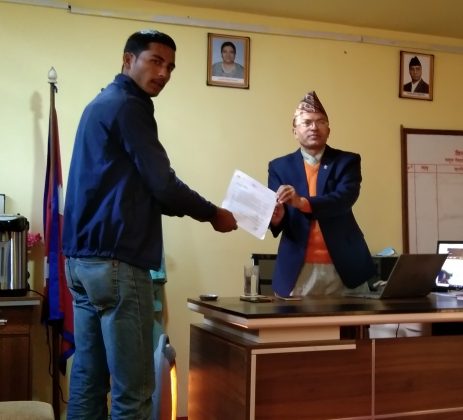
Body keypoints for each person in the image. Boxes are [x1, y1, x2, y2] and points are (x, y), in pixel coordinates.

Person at [62, 29, 237, 420]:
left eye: (170, 67)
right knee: (134, 392)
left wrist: (198, 210)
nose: (163, 73)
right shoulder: (131, 105)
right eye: (155, 61)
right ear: (128, 60)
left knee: (88, 382)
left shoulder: (100, 103)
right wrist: (213, 213)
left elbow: (139, 189)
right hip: (117, 265)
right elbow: (163, 183)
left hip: (81, 263)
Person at [268, 91, 376, 298]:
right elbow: (276, 213)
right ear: (295, 131)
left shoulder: (347, 161)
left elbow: (344, 199)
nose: (314, 127)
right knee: (297, 320)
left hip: (345, 265)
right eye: (307, 122)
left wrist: (301, 202)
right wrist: (277, 216)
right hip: (298, 267)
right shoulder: (279, 166)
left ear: (328, 130)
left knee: (353, 320)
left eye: (320, 122)